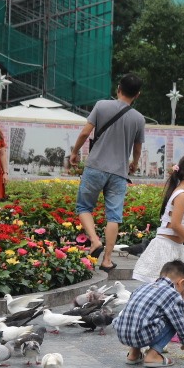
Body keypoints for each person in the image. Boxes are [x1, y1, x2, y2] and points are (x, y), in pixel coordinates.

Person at [69, 73, 145, 273]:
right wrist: (134, 164)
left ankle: (94, 241)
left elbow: (85, 132)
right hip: (119, 172)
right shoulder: (139, 119)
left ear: (118, 88)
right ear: (137, 94)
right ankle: (107, 260)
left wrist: (75, 152)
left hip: (95, 167)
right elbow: (137, 148)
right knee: (114, 215)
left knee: (84, 206)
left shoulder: (102, 105)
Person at [132, 154, 184, 283]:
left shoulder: (181, 193)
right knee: (169, 287)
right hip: (167, 248)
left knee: (175, 287)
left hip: (173, 246)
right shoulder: (182, 195)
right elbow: (175, 224)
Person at [114, 260, 184, 367]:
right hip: (142, 335)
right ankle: (153, 355)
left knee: (141, 318)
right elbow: (180, 322)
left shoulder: (142, 287)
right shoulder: (173, 294)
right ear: (181, 283)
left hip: (122, 333)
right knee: (174, 319)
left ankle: (133, 354)